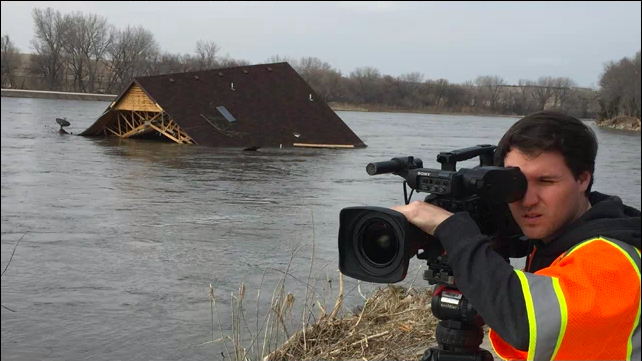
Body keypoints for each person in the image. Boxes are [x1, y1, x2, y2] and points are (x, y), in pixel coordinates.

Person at [392, 110, 641, 360]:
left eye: (545, 181)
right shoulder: (563, 237)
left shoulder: (614, 259)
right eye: (516, 184)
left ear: (582, 179)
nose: (527, 200)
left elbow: (527, 325)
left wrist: (452, 230)